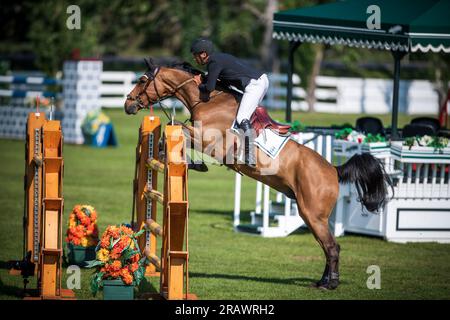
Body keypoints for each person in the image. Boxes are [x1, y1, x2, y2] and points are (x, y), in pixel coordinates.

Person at [190, 37, 269, 166]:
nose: (194, 59)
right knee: (246, 115)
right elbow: (220, 81)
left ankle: (250, 156)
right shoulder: (218, 58)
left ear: (204, 54)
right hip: (260, 80)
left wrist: (199, 84)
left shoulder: (213, 62)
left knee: (242, 118)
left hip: (254, 85)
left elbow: (209, 88)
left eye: (195, 55)